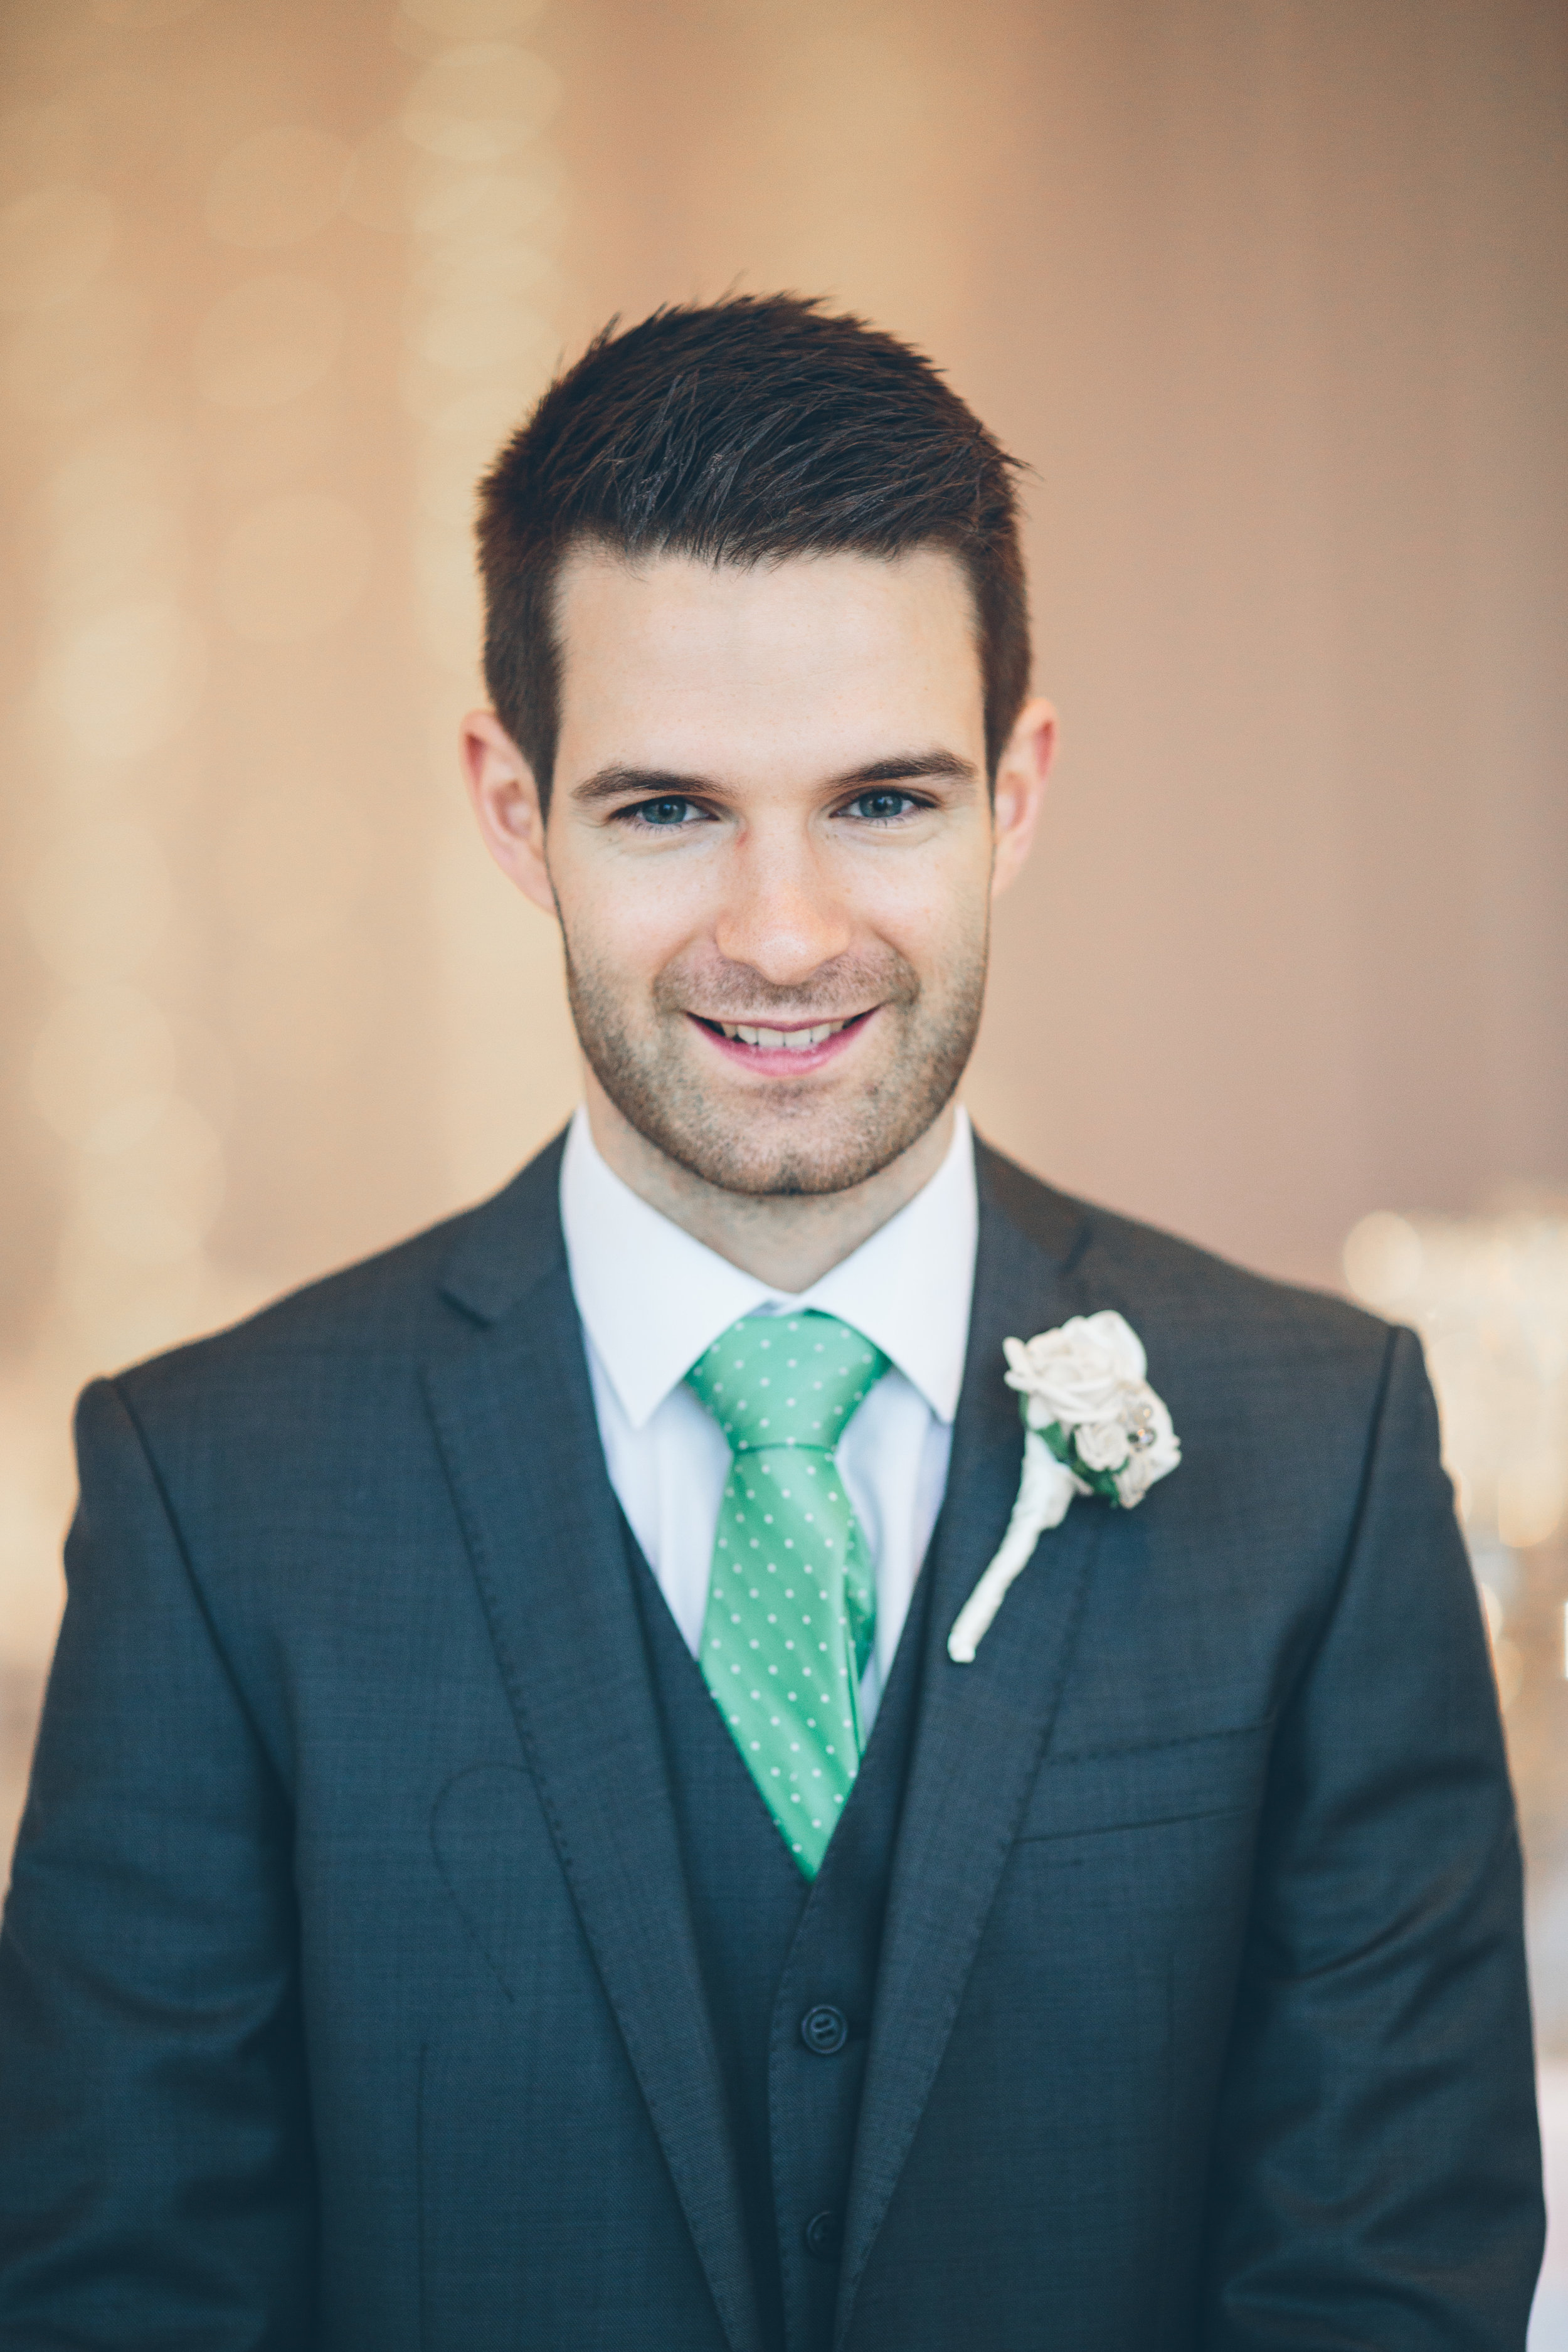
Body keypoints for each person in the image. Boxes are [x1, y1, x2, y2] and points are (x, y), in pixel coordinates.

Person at [0, 295, 1544, 2351]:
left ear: (1017, 788)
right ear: (508, 803)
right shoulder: (214, 1493)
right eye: (665, 809)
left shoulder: (1321, 1442)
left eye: (882, 801)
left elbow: (1393, 2278)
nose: (786, 932)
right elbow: (121, 2296)